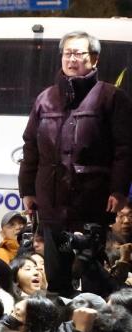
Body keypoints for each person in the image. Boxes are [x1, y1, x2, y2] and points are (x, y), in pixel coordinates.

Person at [19, 31, 132, 297]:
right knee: (57, 279)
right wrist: (28, 190)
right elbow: (30, 146)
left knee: (92, 273)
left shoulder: (111, 97)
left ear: (94, 59)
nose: (72, 59)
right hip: (52, 200)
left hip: (92, 199)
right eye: (67, 53)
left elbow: (125, 149)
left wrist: (118, 190)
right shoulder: (45, 98)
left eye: (79, 53)